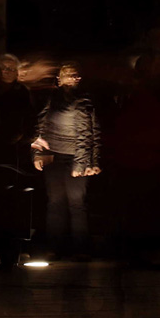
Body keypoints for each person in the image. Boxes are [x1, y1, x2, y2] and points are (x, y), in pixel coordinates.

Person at [31, 62, 101, 259]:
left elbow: (91, 134)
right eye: (67, 75)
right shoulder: (50, 100)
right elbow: (40, 128)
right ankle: (54, 248)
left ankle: (81, 249)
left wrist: (87, 162)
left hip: (76, 157)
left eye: (75, 75)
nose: (71, 79)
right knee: (55, 202)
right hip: (53, 156)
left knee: (76, 203)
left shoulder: (86, 101)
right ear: (59, 79)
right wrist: (37, 154)